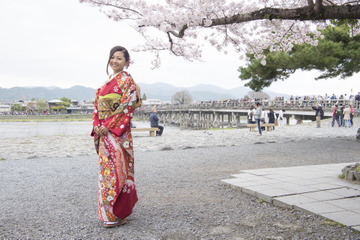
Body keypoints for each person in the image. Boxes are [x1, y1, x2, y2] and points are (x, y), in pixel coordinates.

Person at [91, 46, 142, 228]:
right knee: (106, 173)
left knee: (117, 172)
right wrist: (97, 125)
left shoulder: (127, 81)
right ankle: (107, 213)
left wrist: (107, 125)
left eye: (119, 58)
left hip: (116, 134)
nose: (114, 61)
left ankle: (116, 213)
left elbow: (127, 107)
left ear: (127, 62)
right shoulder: (105, 84)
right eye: (112, 57)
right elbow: (97, 107)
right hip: (105, 133)